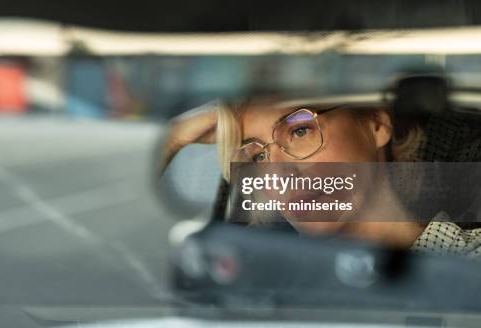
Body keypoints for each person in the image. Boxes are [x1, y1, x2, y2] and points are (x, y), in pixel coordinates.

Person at [162, 98, 481, 258]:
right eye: (258, 156)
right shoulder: (248, 290)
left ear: (376, 126)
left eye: (300, 130)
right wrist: (173, 138)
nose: (278, 173)